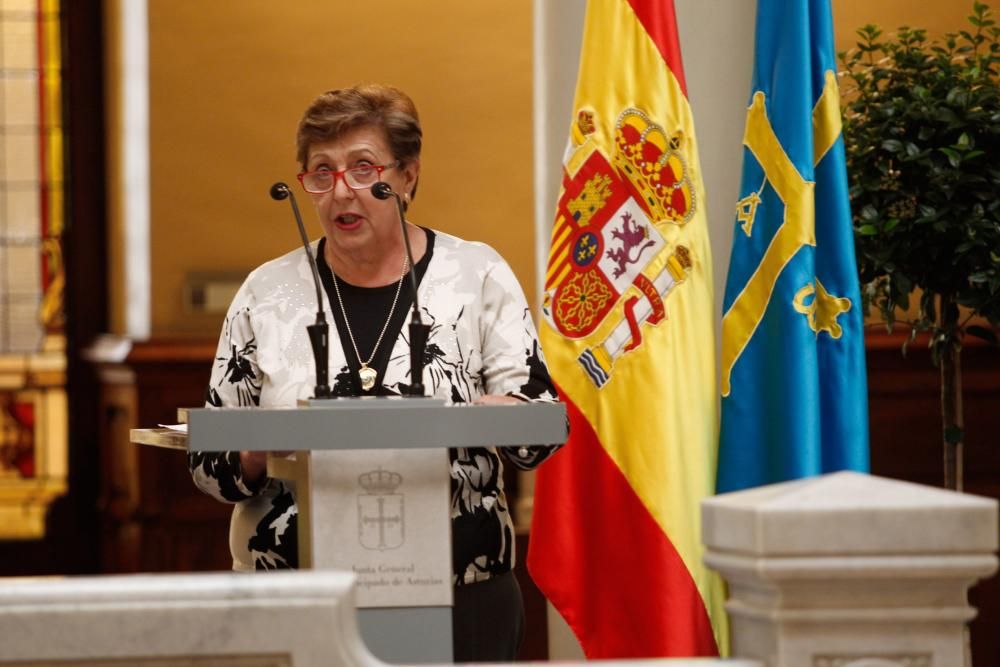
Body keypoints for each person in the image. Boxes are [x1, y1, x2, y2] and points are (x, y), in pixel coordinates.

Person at [188, 83, 562, 662]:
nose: (343, 191)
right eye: (322, 172)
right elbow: (210, 469)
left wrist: (500, 415)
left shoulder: (477, 277)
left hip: (460, 594)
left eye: (364, 169)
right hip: (295, 598)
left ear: (408, 176)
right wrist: (255, 449)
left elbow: (536, 437)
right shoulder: (266, 293)